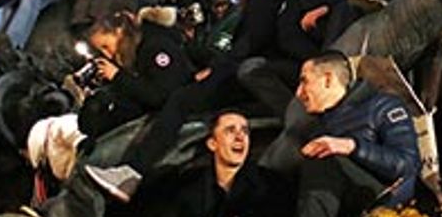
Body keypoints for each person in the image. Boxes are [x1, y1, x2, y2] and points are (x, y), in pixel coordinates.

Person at [295, 51, 420, 217]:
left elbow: (406, 164)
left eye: (304, 81)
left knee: (323, 159)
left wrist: (352, 146)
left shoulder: (382, 106)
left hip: (387, 203)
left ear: (328, 79)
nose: (298, 93)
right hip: (344, 204)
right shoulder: (315, 128)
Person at [76, 8, 194, 141]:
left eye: (106, 46)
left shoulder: (155, 47)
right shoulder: (130, 54)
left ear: (118, 32)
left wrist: (118, 76)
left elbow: (161, 95)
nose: (108, 54)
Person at [168, 109, 291, 216]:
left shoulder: (272, 186)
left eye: (245, 131)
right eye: (230, 130)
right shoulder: (189, 189)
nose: (239, 137)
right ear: (212, 144)